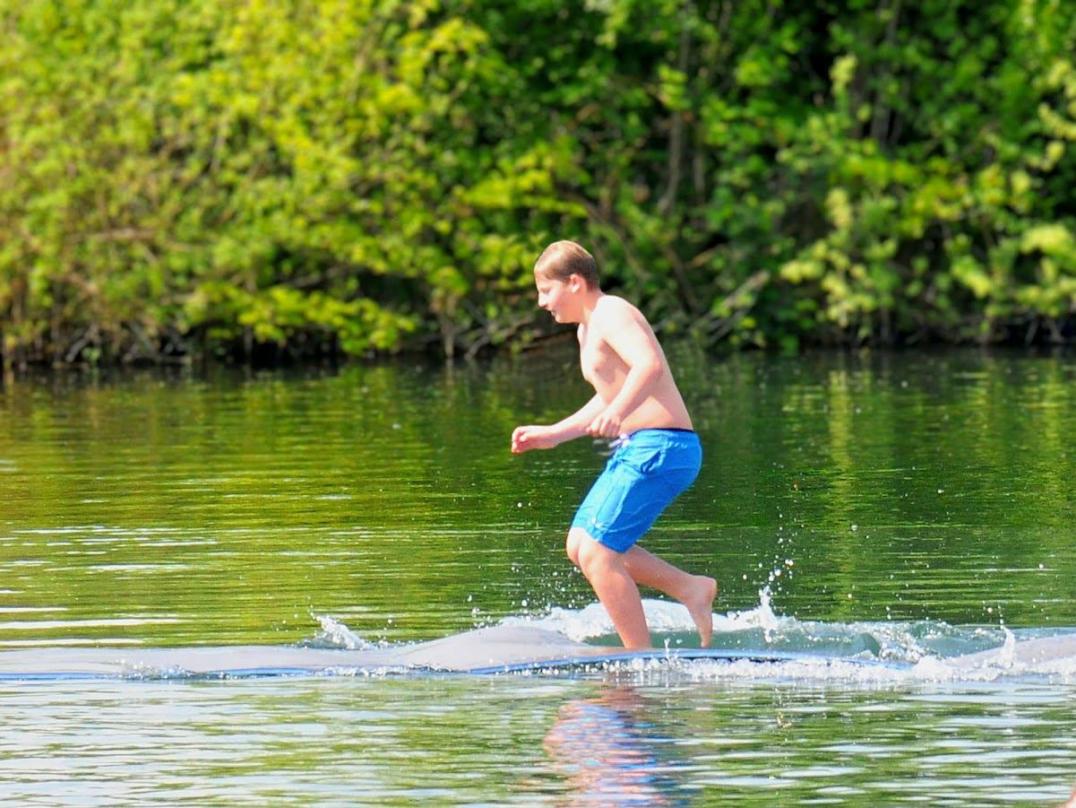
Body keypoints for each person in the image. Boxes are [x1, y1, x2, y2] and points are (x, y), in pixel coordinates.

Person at [511, 240, 717, 649]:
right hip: (642, 447)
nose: (541, 302)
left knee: (598, 553)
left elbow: (648, 365)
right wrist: (554, 433)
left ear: (574, 282)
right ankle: (690, 588)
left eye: (546, 290)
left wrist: (619, 411)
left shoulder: (612, 312)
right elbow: (608, 396)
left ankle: (637, 657)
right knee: (579, 545)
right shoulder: (587, 330)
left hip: (663, 447)